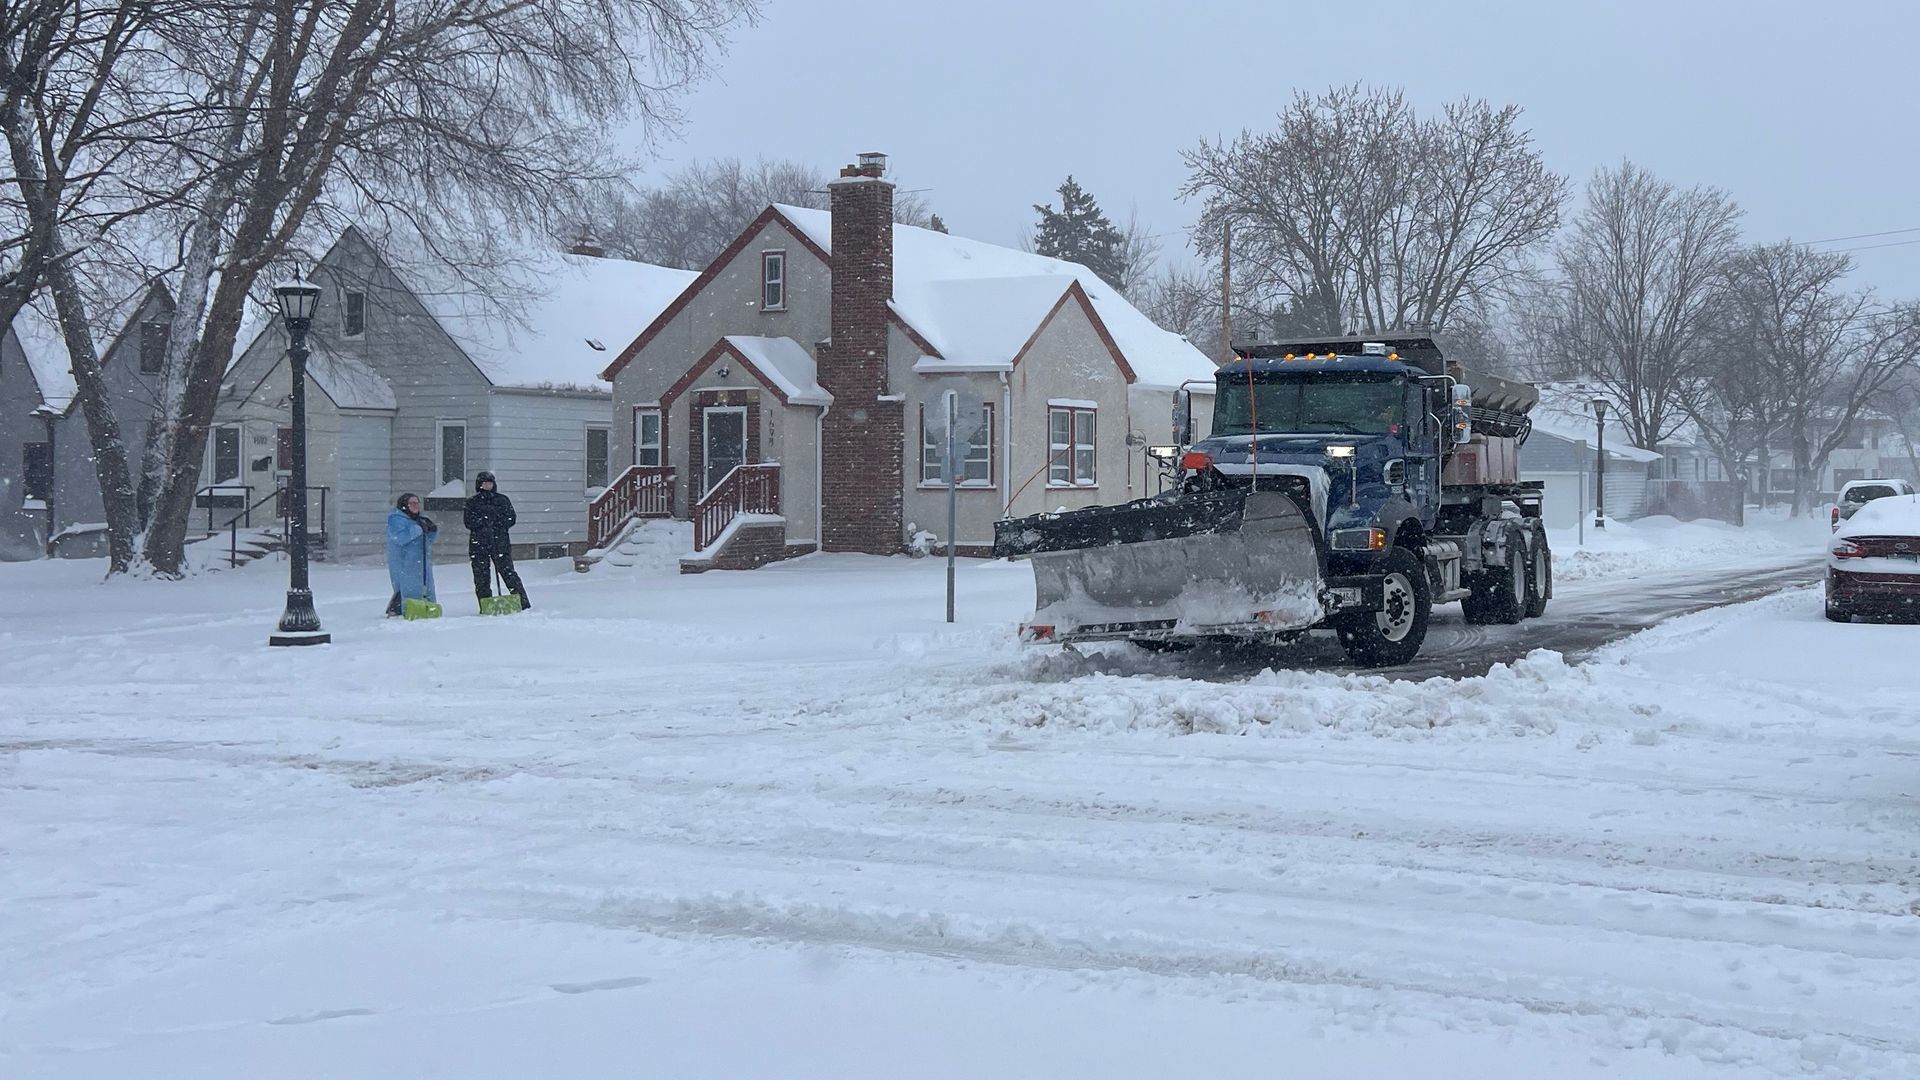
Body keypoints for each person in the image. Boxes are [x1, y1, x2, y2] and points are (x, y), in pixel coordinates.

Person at [464, 471, 530, 610]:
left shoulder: (502, 500)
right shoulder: (472, 502)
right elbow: (468, 522)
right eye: (484, 483)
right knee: (481, 577)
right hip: (479, 544)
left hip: (499, 543)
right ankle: (485, 604)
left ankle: (522, 602)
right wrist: (482, 522)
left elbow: (511, 518)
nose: (487, 485)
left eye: (490, 483)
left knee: (508, 572)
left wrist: (496, 521)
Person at [385, 493, 438, 616]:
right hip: (405, 564)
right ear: (404, 505)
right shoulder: (396, 520)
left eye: (417, 503)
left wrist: (432, 531)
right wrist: (418, 528)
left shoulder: (419, 519)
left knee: (426, 588)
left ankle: (426, 608)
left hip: (422, 563)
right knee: (408, 589)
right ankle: (406, 610)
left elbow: (427, 541)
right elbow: (400, 538)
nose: (415, 506)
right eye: (411, 503)